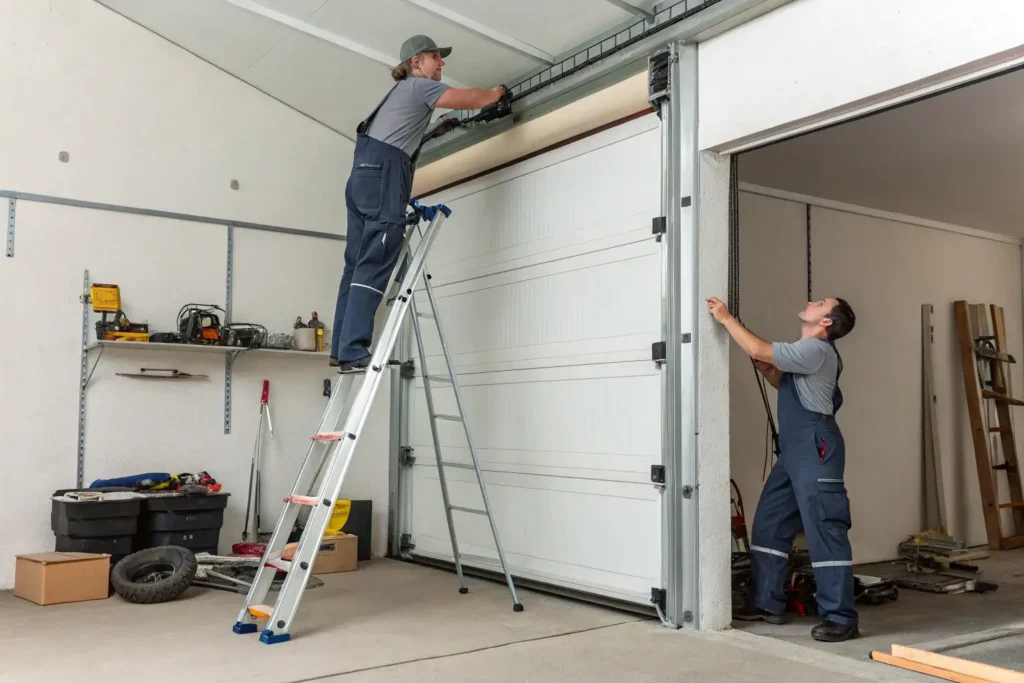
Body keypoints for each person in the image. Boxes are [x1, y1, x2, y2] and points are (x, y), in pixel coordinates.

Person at [330, 35, 508, 370]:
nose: (442, 63)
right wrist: (494, 94)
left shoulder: (397, 96)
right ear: (416, 62)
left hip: (362, 177)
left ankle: (342, 347)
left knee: (355, 262)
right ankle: (354, 349)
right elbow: (466, 98)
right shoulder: (419, 86)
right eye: (436, 57)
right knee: (378, 255)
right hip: (383, 174)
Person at [706, 295, 859, 643]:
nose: (811, 301)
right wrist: (774, 374)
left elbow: (758, 348)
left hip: (815, 447)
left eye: (821, 303)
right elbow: (794, 387)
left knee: (824, 527)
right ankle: (765, 601)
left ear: (826, 322)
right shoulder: (808, 352)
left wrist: (726, 319)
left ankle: (841, 617)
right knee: (770, 522)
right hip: (794, 451)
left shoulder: (816, 349)